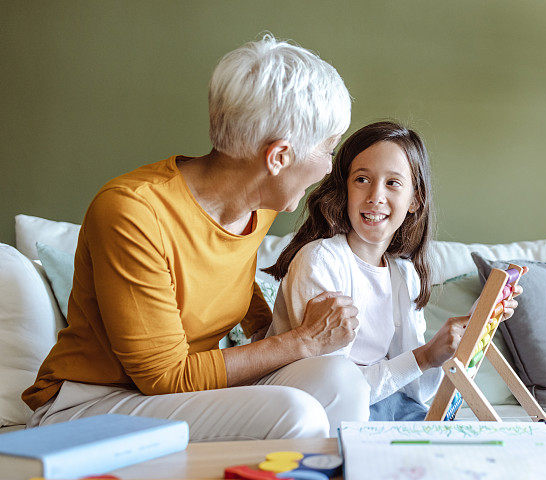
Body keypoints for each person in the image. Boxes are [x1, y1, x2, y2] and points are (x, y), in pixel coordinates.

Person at [22, 35, 365, 441]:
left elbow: (218, 273)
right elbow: (164, 376)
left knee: (341, 379)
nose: (328, 168)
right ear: (278, 157)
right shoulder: (133, 211)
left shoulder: (261, 203)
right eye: (328, 150)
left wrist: (272, 325)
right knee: (294, 413)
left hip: (178, 397)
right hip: (90, 404)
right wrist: (302, 340)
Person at [265, 121, 522, 424]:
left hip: (379, 401)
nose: (375, 195)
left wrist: (459, 338)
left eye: (393, 183)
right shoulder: (320, 261)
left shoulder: (404, 274)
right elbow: (334, 388)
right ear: (345, 189)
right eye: (362, 179)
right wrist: (424, 356)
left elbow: (414, 389)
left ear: (414, 200)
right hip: (320, 405)